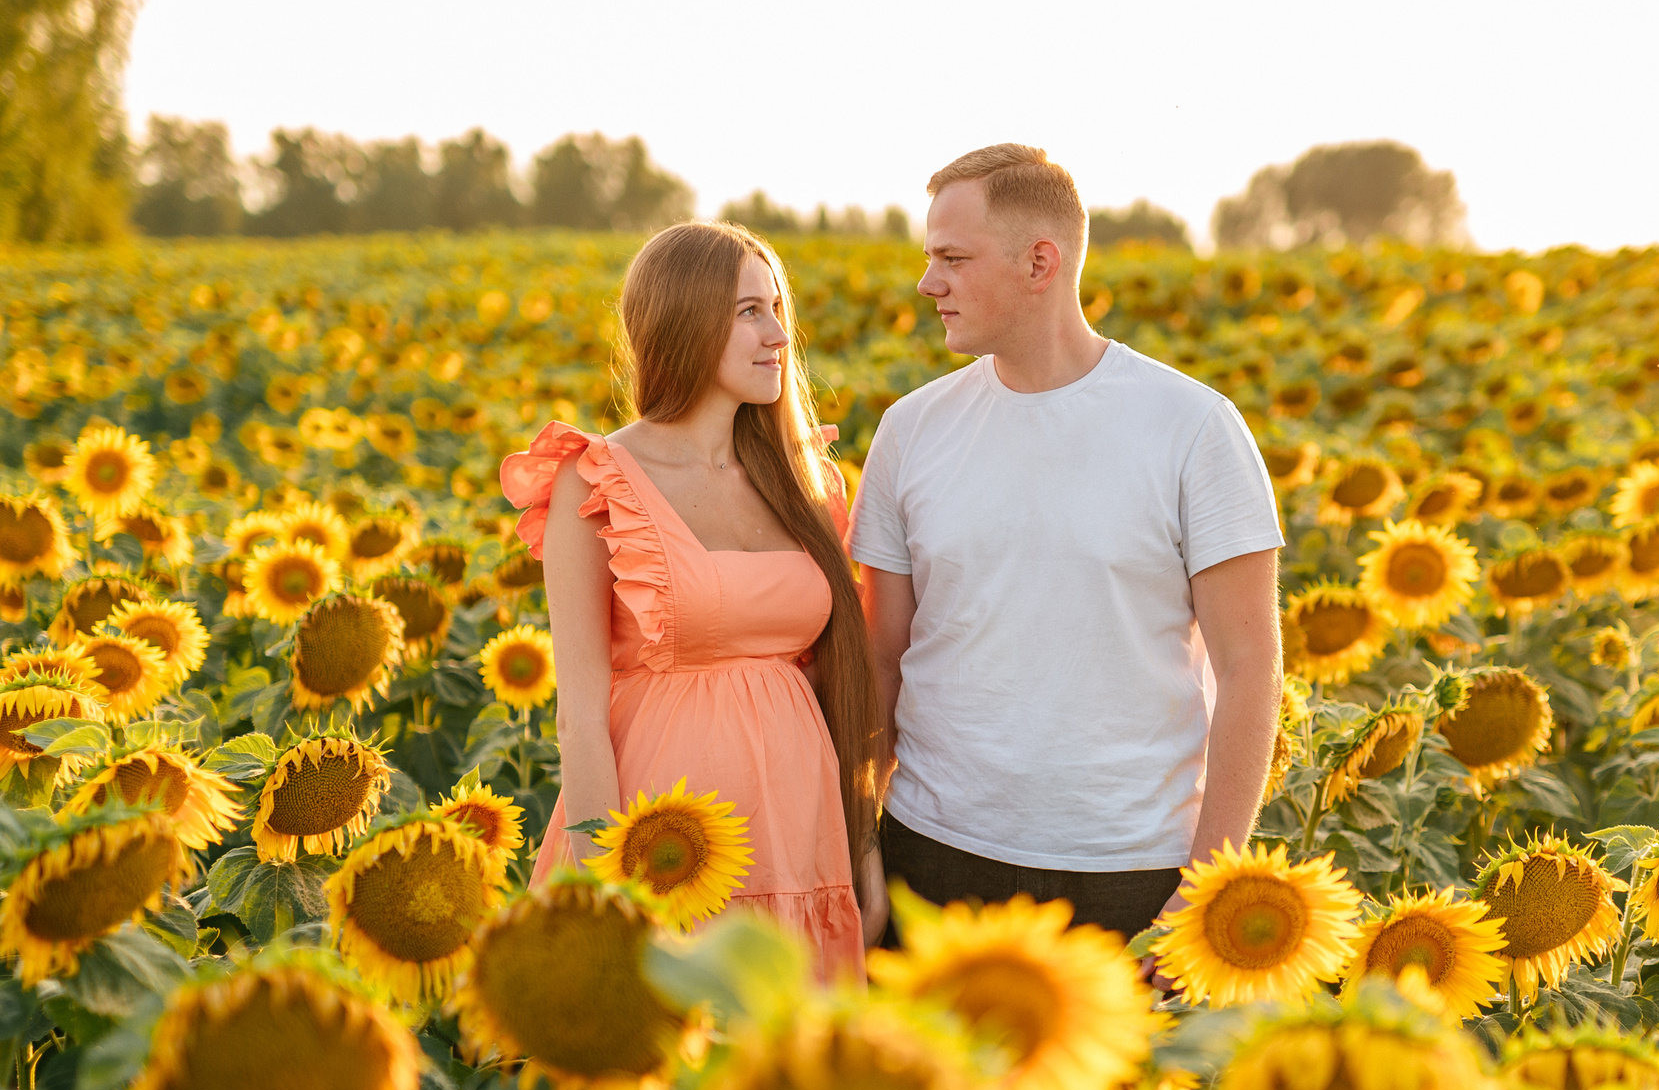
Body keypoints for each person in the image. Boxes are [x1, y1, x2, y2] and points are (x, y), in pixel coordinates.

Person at [849, 145, 1283, 941]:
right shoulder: (909, 432)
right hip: (932, 854)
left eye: (953, 258)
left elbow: (1250, 667)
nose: (927, 283)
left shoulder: (1193, 429)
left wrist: (1206, 889)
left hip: (1131, 873)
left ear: (1039, 262)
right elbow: (879, 659)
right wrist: (860, 841)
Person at [501, 220, 884, 980]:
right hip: (657, 847)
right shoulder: (598, 478)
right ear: (684, 320)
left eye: (777, 308)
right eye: (749, 312)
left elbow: (838, 684)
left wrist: (864, 851)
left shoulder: (808, 480)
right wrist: (604, 891)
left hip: (802, 840)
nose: (779, 335)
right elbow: (580, 717)